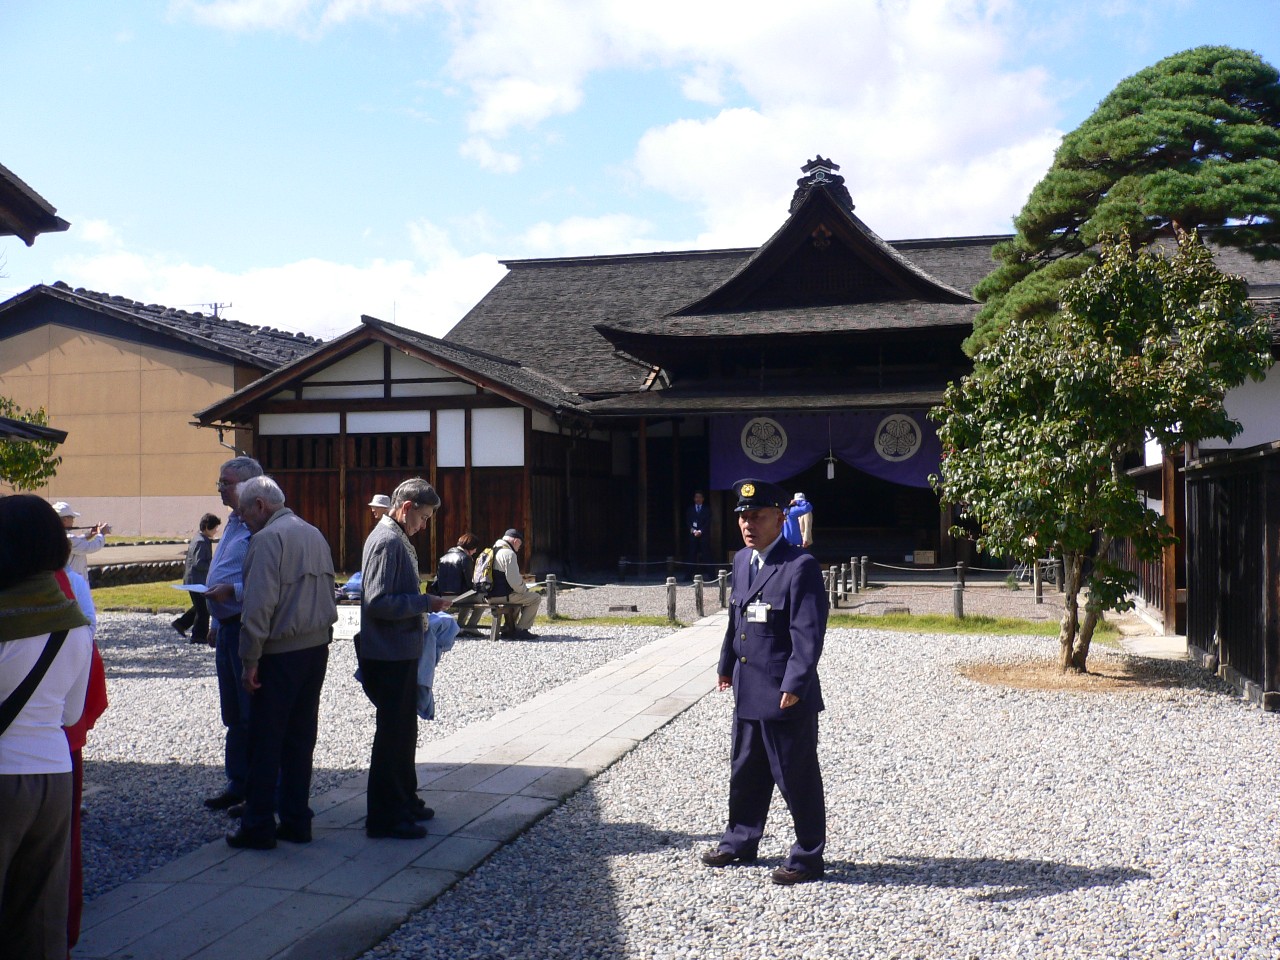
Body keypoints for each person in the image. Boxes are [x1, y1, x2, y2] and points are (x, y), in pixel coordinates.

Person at [702, 478, 829, 885]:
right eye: (742, 516)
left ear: (779, 517)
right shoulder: (742, 560)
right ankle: (740, 839)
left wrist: (795, 682)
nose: (747, 524)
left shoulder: (799, 566)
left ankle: (807, 856)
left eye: (756, 516)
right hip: (747, 686)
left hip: (782, 692)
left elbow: (808, 633)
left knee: (795, 774)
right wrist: (725, 665)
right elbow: (736, 618)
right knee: (746, 770)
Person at [0, 495, 94, 959]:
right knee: (39, 918)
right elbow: (72, 715)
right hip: (55, 775)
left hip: (3, 774)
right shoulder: (74, 621)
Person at [225, 477, 337, 850]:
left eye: (243, 513)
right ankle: (295, 818)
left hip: (279, 652)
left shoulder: (267, 541)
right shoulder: (313, 532)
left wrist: (249, 660)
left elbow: (257, 607)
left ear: (260, 506)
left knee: (265, 740)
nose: (242, 521)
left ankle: (257, 825)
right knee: (300, 738)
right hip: (315, 648)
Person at [357, 477, 450, 840]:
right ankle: (383, 816)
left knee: (403, 732)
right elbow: (377, 602)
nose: (424, 526)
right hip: (388, 652)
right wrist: (425, 603)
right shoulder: (387, 541)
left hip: (400, 648)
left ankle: (404, 798)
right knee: (391, 736)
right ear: (407, 508)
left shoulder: (397, 538)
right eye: (423, 518)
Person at [202, 455, 264, 812]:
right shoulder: (232, 522)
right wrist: (214, 618)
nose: (220, 488)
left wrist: (233, 593)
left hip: (245, 625)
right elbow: (222, 570)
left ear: (246, 485)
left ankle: (256, 789)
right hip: (226, 627)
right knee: (233, 713)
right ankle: (237, 782)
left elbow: (267, 577)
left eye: (225, 482)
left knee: (249, 710)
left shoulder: (261, 523)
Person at [173, 513, 221, 644]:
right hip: (196, 581)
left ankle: (181, 624)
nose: (216, 530)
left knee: (200, 606)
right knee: (203, 610)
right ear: (206, 527)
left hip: (195, 580)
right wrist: (212, 565)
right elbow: (198, 563)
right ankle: (198, 636)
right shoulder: (200, 541)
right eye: (215, 527)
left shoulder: (200, 539)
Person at [489, 529, 540, 640]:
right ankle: (522, 629)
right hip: (501, 595)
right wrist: (525, 590)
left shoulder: (491, 551)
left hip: (488, 595)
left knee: (517, 597)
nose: (518, 549)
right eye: (519, 546)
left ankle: (509, 628)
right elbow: (514, 581)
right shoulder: (508, 553)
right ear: (516, 541)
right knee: (535, 598)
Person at [434, 533, 485, 636]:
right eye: (475, 548)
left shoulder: (443, 557)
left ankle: (459, 627)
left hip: (444, 595)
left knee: (469, 597)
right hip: (459, 595)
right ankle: (471, 626)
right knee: (482, 598)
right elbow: (469, 581)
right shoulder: (465, 558)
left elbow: (437, 578)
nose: (475, 551)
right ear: (470, 547)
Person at [52, 501, 111, 579]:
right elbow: (89, 547)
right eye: (72, 517)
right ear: (65, 520)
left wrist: (89, 535)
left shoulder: (56, 534)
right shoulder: (66, 538)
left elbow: (75, 543)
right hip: (72, 583)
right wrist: (101, 534)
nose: (73, 520)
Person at [685, 491, 711, 580]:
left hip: (704, 536)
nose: (698, 499)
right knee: (691, 555)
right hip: (693, 535)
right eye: (696, 497)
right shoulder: (690, 509)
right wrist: (693, 531)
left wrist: (701, 531)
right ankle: (688, 576)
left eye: (700, 497)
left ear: (703, 499)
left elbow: (708, 522)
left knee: (707, 555)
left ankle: (712, 576)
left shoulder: (707, 509)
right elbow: (688, 522)